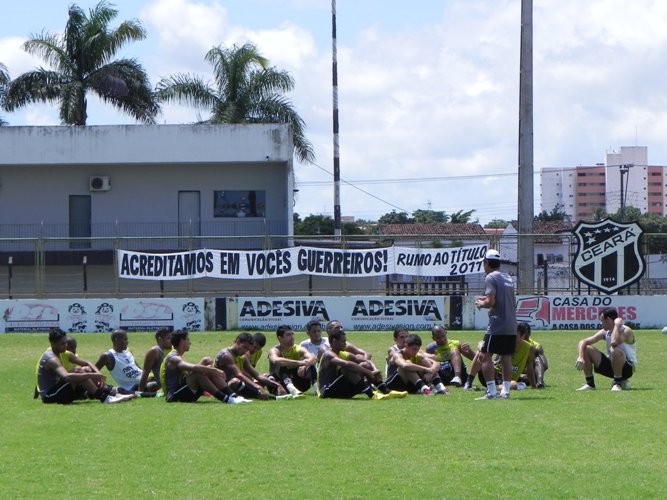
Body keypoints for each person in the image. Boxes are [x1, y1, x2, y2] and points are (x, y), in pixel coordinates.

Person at [36, 328, 134, 404]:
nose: (65, 345)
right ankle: (105, 398)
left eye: (65, 342)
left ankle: (111, 394)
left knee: (85, 369)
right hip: (50, 396)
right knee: (80, 374)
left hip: (62, 390)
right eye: (62, 344)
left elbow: (86, 363)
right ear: (52, 344)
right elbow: (66, 376)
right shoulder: (51, 358)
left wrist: (97, 374)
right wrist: (92, 376)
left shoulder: (64, 353)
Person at [160, 329, 251, 404]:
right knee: (199, 374)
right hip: (173, 396)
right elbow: (192, 368)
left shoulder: (178, 355)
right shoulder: (173, 358)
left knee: (207, 362)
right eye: (188, 340)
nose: (190, 343)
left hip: (185, 391)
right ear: (182, 341)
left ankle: (234, 396)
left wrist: (209, 369)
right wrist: (214, 371)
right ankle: (227, 399)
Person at [473, 248, 517, 400]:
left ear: (487, 262)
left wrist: (481, 303)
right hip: (511, 323)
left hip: (497, 324)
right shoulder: (507, 277)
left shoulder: (490, 277)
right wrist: (486, 300)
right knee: (506, 358)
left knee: (484, 356)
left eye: (483, 263)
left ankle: (491, 392)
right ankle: (505, 392)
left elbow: (492, 301)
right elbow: (502, 299)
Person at [318, 329, 406, 400]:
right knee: (347, 368)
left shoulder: (342, 353)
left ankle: (386, 391)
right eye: (343, 341)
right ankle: (371, 394)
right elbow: (346, 364)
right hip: (326, 391)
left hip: (341, 391)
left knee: (364, 364)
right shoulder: (328, 354)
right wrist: (368, 372)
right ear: (334, 341)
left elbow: (364, 359)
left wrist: (373, 369)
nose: (345, 343)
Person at [575, 307, 637, 391]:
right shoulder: (605, 331)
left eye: (602, 320)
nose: (601, 323)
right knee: (586, 348)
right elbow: (583, 341)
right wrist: (581, 356)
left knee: (614, 350)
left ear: (608, 320)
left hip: (627, 369)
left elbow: (614, 342)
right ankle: (590, 384)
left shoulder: (626, 330)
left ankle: (617, 384)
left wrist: (617, 326)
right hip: (612, 365)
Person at [215, 332, 277, 400]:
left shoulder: (242, 357)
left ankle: (273, 392)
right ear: (238, 342)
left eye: (247, 349)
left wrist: (277, 385)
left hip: (237, 386)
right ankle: (260, 395)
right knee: (235, 381)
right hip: (222, 387)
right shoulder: (226, 355)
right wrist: (257, 387)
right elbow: (239, 375)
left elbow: (257, 375)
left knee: (264, 379)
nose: (245, 351)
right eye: (244, 347)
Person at [95, 329, 158, 395]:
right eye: (125, 339)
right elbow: (94, 369)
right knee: (153, 386)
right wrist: (99, 380)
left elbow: (137, 368)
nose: (127, 342)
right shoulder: (108, 356)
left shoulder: (128, 351)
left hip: (145, 379)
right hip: (132, 386)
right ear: (116, 340)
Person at [268, 325, 317, 396]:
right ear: (280, 338)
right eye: (288, 335)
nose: (292, 337)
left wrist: (305, 365)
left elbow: (314, 358)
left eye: (292, 334)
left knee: (311, 365)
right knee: (282, 365)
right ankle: (291, 388)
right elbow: (276, 360)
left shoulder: (297, 348)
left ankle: (316, 390)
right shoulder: (275, 350)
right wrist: (299, 363)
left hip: (299, 383)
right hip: (280, 384)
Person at [138, 327, 172, 393]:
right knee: (150, 386)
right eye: (168, 338)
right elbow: (145, 372)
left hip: (175, 381)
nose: (172, 340)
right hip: (166, 385)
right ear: (160, 340)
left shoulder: (173, 349)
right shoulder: (154, 351)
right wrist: (140, 391)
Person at [517, 322, 548, 388]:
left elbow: (545, 365)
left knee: (537, 359)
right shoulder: (512, 344)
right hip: (514, 370)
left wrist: (529, 373)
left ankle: (539, 382)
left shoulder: (536, 346)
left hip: (527, 372)